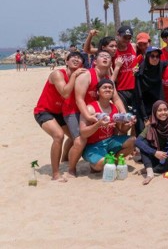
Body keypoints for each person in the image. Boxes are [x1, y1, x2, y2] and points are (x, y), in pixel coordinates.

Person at [67, 50, 125, 176]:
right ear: (94, 61)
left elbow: (116, 98)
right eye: (102, 56)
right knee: (79, 140)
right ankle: (71, 168)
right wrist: (88, 117)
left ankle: (101, 159)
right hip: (75, 110)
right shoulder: (86, 75)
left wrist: (124, 114)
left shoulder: (108, 79)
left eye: (108, 57)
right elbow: (79, 99)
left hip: (96, 110)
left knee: (112, 131)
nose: (105, 58)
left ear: (111, 63)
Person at [34, 51, 86, 180]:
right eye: (73, 57)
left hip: (60, 113)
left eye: (79, 58)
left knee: (75, 137)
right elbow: (65, 93)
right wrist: (74, 76)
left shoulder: (80, 77)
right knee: (58, 136)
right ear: (66, 62)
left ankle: (64, 159)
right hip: (43, 111)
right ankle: (55, 174)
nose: (76, 59)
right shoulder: (57, 74)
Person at [79, 79, 136, 173]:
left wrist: (129, 125)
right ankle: (95, 164)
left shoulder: (114, 108)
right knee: (100, 166)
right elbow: (83, 133)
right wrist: (98, 124)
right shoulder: (90, 108)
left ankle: (115, 162)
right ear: (98, 92)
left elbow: (121, 129)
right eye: (104, 87)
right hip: (93, 145)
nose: (108, 89)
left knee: (133, 140)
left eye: (110, 88)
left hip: (110, 141)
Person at [135, 100, 168, 185]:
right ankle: (150, 174)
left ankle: (149, 168)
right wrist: (155, 152)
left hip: (166, 158)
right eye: (159, 110)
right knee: (144, 144)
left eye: (165, 110)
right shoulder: (151, 127)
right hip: (154, 156)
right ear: (154, 112)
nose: (163, 112)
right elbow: (137, 141)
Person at [134, 47, 165, 135]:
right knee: (142, 132)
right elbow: (139, 97)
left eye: (157, 56)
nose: (155, 58)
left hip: (156, 105)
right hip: (142, 105)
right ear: (147, 57)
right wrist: (145, 118)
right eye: (152, 56)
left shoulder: (161, 65)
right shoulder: (140, 72)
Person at [112, 25, 138, 111]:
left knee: (136, 116)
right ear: (118, 35)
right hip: (120, 90)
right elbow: (88, 50)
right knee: (124, 117)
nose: (127, 40)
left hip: (135, 88)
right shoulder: (113, 50)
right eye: (124, 37)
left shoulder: (133, 46)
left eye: (129, 38)